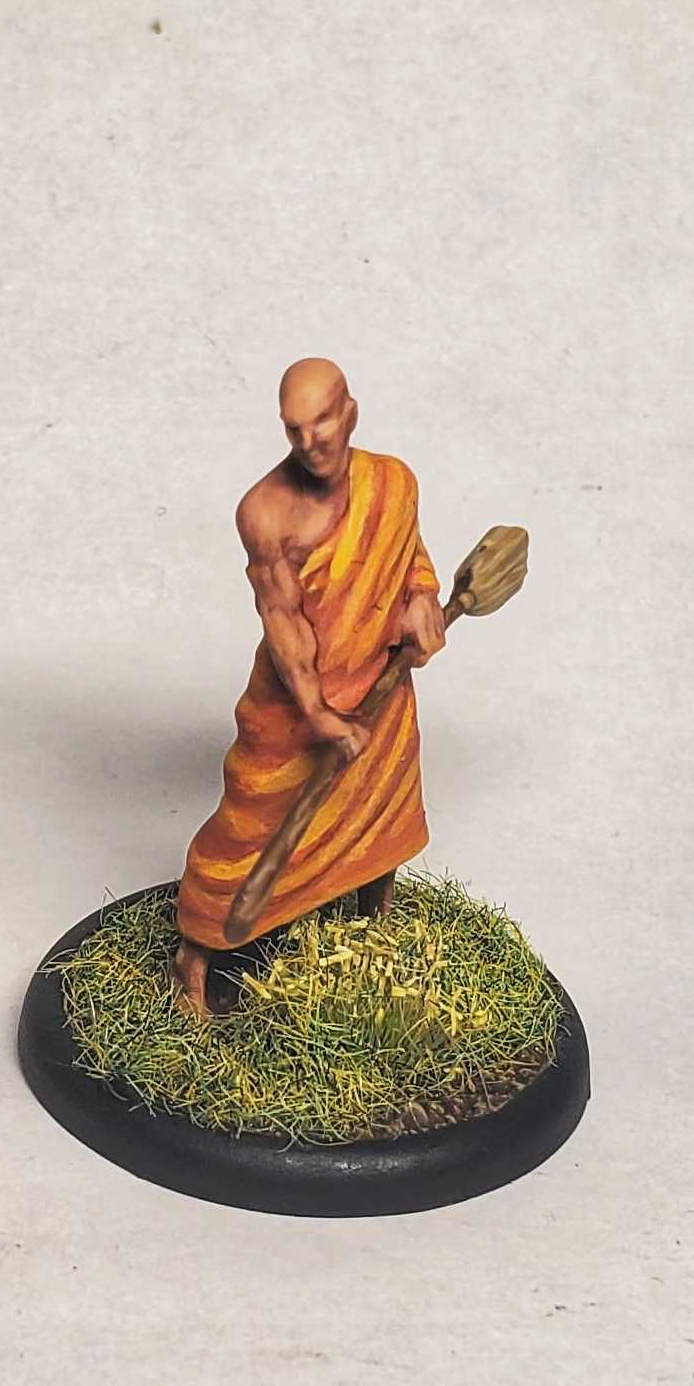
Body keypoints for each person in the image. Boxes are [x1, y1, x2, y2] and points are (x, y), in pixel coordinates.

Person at [172, 358, 445, 1015]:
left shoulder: (392, 482)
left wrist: (421, 598)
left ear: (349, 414)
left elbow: (409, 555)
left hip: (379, 686)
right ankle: (194, 961)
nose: (309, 441)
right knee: (249, 831)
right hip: (295, 709)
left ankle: (375, 931)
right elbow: (283, 620)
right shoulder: (265, 512)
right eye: (293, 428)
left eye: (321, 422)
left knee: (379, 810)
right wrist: (319, 713)